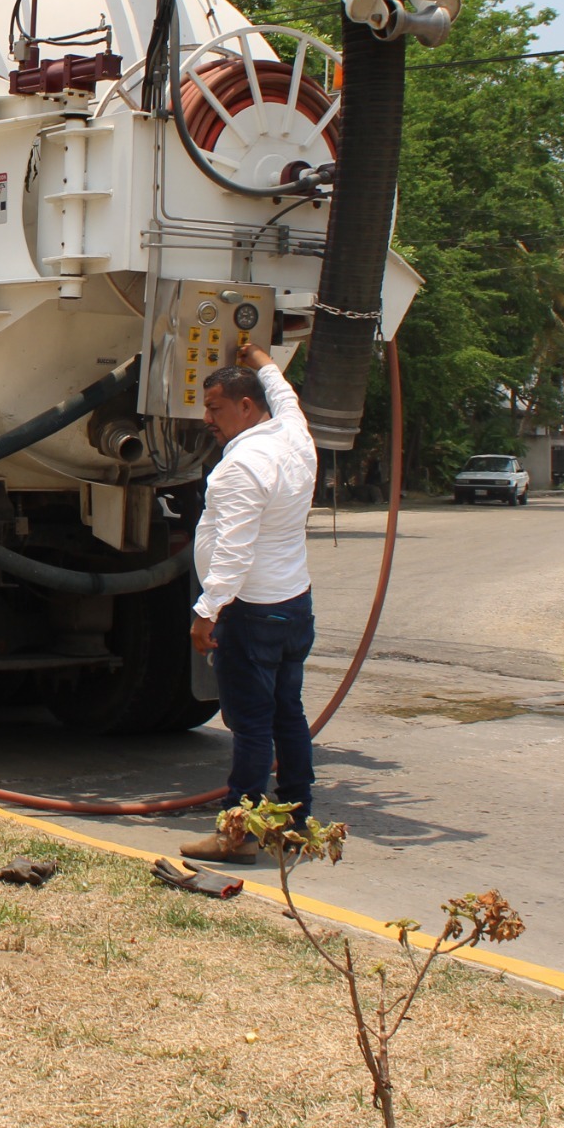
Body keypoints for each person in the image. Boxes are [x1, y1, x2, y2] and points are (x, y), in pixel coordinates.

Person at [179, 341, 319, 865]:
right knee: (288, 714)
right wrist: (260, 357)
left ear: (244, 406)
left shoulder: (243, 466)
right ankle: (296, 823)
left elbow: (234, 549)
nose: (208, 418)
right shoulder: (293, 435)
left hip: (251, 612)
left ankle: (236, 833)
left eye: (215, 407)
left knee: (252, 725)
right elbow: (285, 394)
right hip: (293, 605)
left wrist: (206, 611)